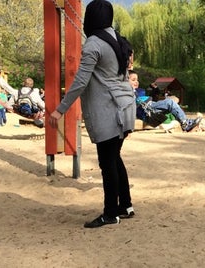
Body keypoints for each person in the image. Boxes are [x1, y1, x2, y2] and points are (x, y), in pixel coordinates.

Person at [48, 0, 135, 228]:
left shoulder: (94, 44)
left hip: (109, 111)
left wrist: (60, 110)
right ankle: (125, 205)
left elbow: (80, 82)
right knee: (114, 158)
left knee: (107, 162)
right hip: (126, 107)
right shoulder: (118, 39)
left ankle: (110, 214)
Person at [128, 70, 201, 131]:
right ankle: (186, 123)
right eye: (133, 80)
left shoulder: (139, 91)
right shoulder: (128, 92)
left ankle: (185, 122)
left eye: (137, 80)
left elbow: (153, 97)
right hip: (148, 110)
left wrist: (154, 89)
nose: (136, 82)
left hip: (150, 107)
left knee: (171, 104)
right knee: (170, 102)